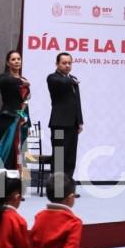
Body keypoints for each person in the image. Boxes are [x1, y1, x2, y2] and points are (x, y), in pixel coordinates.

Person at [46, 52, 84, 181]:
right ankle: (57, 188)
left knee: (70, 157)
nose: (67, 65)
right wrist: (72, 80)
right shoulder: (53, 78)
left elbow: (77, 102)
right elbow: (62, 82)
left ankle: (67, 188)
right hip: (58, 125)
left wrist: (80, 121)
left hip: (73, 125)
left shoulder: (73, 79)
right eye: (64, 63)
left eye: (69, 63)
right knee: (59, 155)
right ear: (57, 64)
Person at [0, 51, 30, 170]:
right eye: (13, 59)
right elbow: (8, 82)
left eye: (18, 59)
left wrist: (26, 122)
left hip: (21, 121)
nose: (16, 61)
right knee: (7, 153)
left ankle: (16, 184)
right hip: (7, 119)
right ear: (7, 63)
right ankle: (3, 184)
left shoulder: (24, 79)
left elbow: (25, 104)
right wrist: (22, 83)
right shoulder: (4, 77)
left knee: (20, 153)